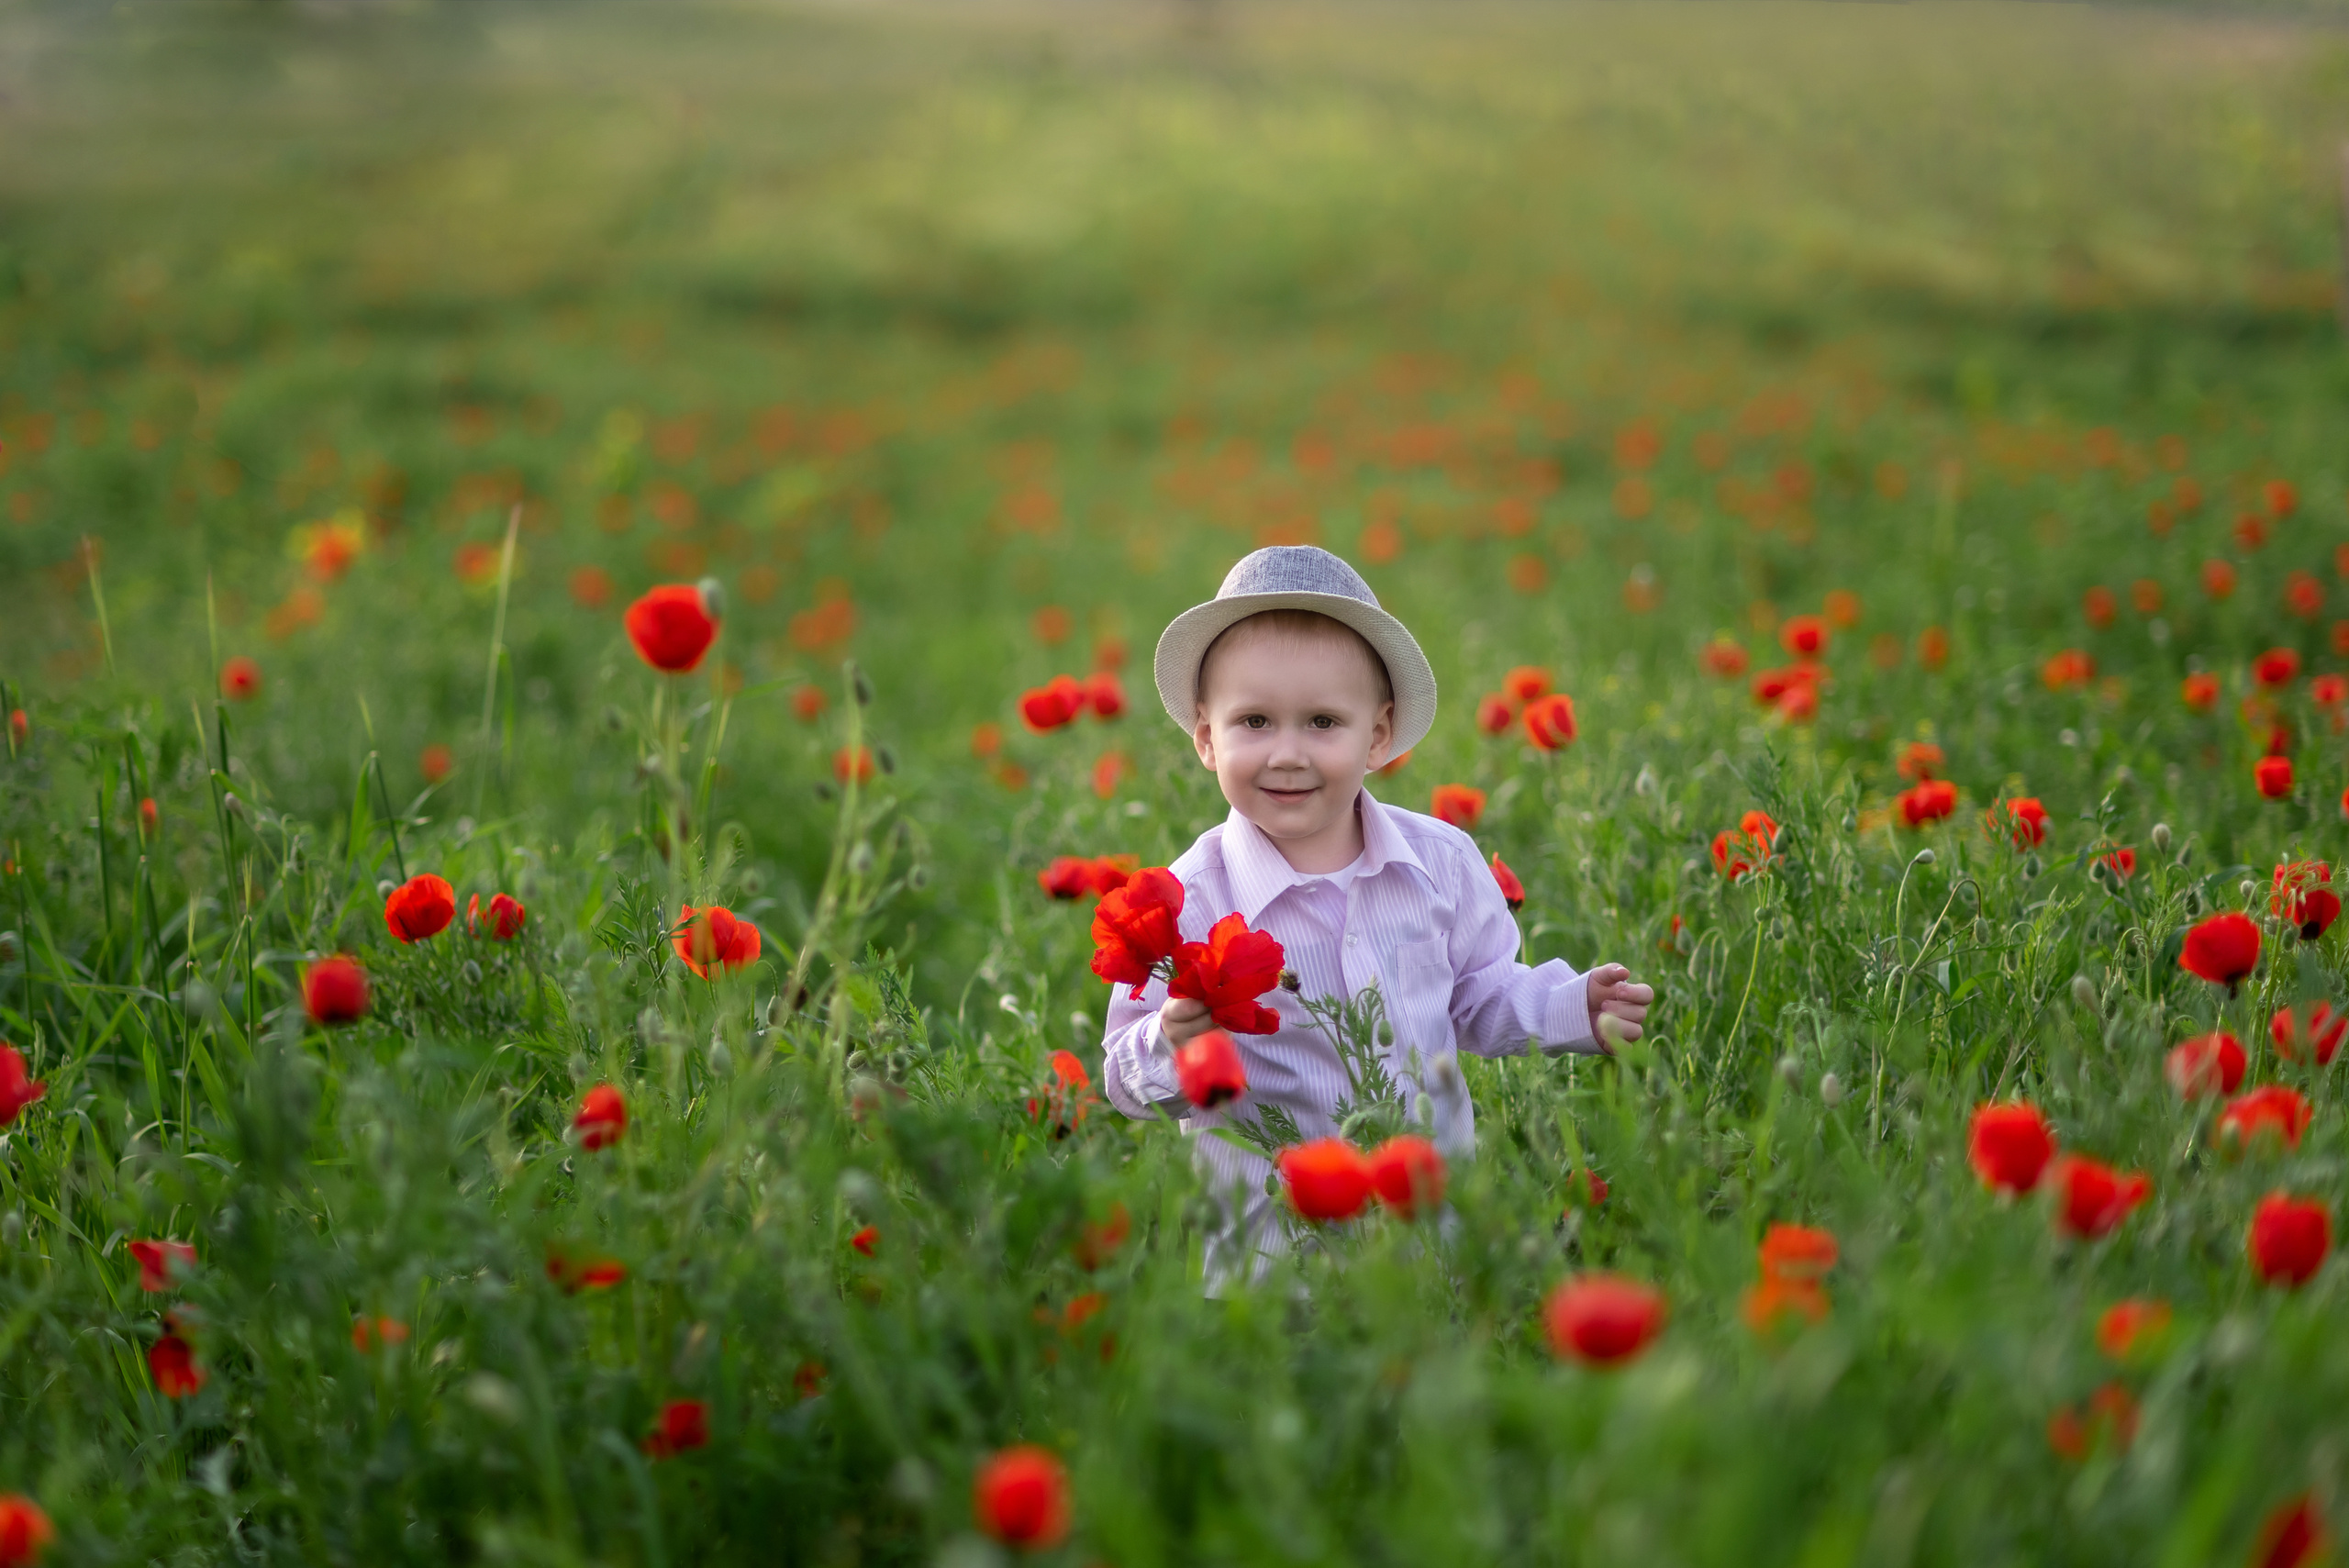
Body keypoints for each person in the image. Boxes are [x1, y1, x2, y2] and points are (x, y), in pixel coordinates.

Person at [1099, 544, 1653, 1287]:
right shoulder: (1187, 902)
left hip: (1432, 1245)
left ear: (1379, 735)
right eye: (1255, 721)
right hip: (1271, 1262)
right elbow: (1121, 1078)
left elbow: (1479, 997)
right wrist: (1170, 1038)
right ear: (1206, 737)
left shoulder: (1441, 864)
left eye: (1323, 721)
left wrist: (1569, 1006)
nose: (1287, 753)